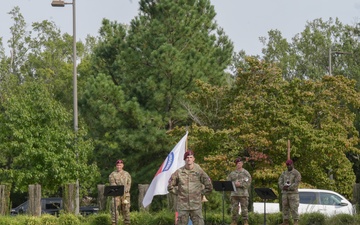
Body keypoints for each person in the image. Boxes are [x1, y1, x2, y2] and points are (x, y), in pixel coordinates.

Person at [168, 150, 213, 225]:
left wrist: (200, 193)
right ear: (184, 159)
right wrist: (178, 193)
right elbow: (170, 186)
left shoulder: (199, 171)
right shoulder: (179, 172)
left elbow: (209, 186)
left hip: (196, 206)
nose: (189, 159)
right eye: (187, 157)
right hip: (183, 206)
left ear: (193, 159)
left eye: (190, 157)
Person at [227, 157, 252, 225]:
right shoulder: (232, 173)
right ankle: (234, 221)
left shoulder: (246, 173)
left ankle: (245, 221)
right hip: (234, 194)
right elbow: (228, 182)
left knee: (244, 209)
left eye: (239, 163)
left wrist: (240, 184)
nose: (238, 164)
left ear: (242, 164)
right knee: (234, 209)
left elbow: (248, 182)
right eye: (237, 163)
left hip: (243, 194)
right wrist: (234, 184)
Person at [278, 159, 301, 225]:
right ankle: (285, 221)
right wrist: (282, 187)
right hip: (285, 193)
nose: (288, 166)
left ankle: (295, 221)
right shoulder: (284, 173)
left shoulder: (296, 173)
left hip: (293, 194)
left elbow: (297, 182)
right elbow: (280, 181)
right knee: (285, 207)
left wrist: (289, 187)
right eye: (287, 165)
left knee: (294, 208)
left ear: (292, 164)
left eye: (289, 165)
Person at [109, 159, 132, 225]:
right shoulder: (113, 174)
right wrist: (119, 190)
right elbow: (112, 184)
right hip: (116, 195)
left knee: (126, 209)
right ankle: (114, 223)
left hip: (125, 195)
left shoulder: (126, 174)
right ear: (116, 166)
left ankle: (127, 223)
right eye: (118, 165)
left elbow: (129, 183)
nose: (119, 166)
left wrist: (127, 189)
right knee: (115, 209)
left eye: (120, 165)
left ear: (123, 166)